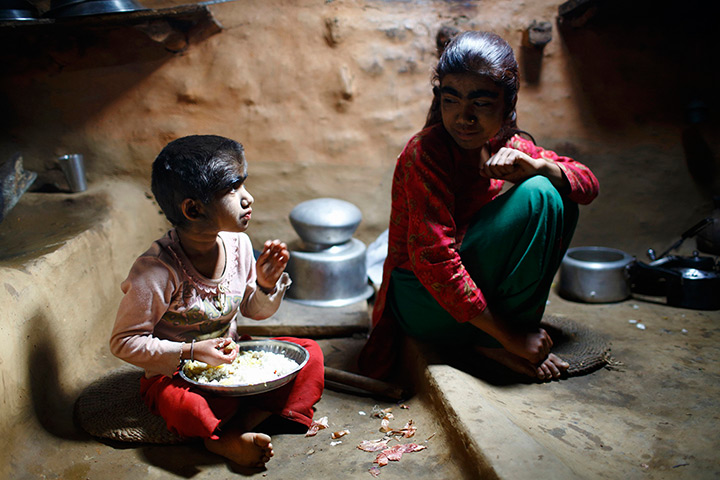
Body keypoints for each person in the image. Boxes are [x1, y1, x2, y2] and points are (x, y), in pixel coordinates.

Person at [358, 31, 599, 382]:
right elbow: (436, 264)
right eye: (451, 100)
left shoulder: (507, 143)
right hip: (422, 301)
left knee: (555, 193)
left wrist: (539, 167)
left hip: (461, 293)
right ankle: (493, 340)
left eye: (482, 103)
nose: (463, 117)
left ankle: (499, 333)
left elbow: (588, 184)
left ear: (507, 104)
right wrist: (507, 337)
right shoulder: (425, 153)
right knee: (541, 196)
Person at [110, 135, 324, 468]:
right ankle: (224, 439)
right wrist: (191, 352)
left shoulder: (238, 245)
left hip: (232, 364)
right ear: (193, 209)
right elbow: (124, 343)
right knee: (183, 406)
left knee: (309, 354)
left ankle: (238, 423)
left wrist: (266, 285)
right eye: (233, 190)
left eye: (244, 185)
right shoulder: (156, 271)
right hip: (181, 376)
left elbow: (253, 311)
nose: (248, 198)